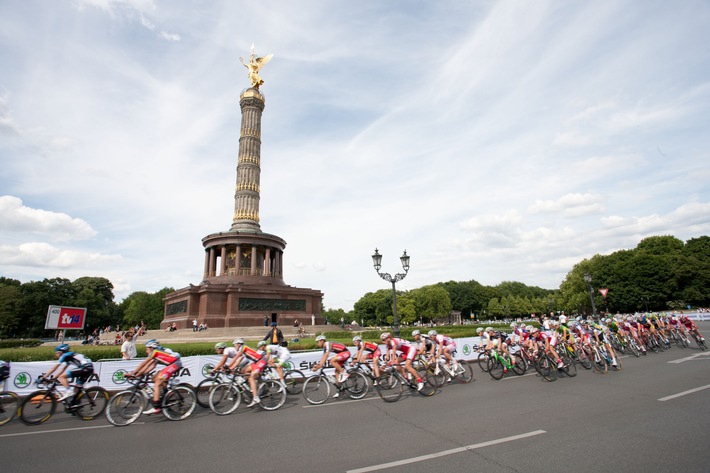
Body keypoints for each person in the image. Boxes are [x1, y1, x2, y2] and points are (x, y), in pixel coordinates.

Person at [128, 339, 182, 415]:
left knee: (157, 384)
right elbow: (151, 366)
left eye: (146, 349)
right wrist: (138, 375)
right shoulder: (157, 353)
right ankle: (166, 394)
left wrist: (132, 374)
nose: (146, 351)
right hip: (172, 364)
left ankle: (157, 408)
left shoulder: (155, 352)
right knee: (154, 378)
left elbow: (144, 363)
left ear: (151, 348)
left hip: (175, 364)